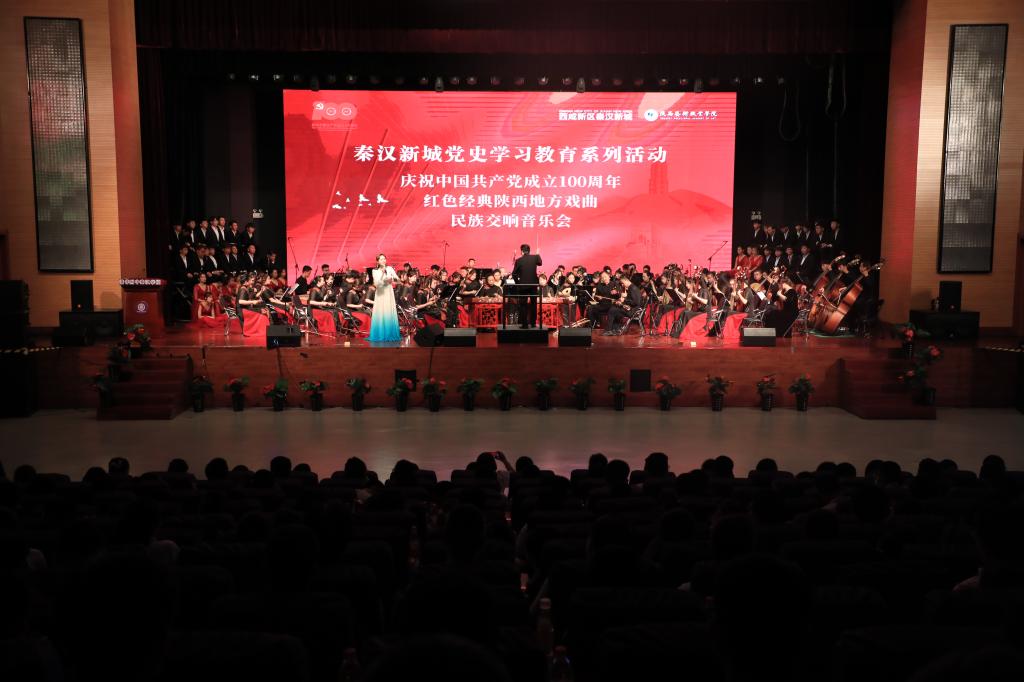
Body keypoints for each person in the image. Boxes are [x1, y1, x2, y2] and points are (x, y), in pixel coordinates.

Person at [369, 253, 401, 342]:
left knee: (389, 311)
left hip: (388, 292)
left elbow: (397, 279)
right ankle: (380, 333)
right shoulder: (375, 271)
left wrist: (394, 280)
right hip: (380, 293)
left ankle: (390, 333)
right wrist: (383, 274)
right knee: (381, 312)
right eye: (381, 259)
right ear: (377, 261)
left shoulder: (389, 268)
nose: (383, 260)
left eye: (384, 259)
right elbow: (377, 284)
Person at [511, 243, 542, 328]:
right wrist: (538, 254)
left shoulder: (519, 260)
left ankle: (524, 324)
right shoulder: (535, 257)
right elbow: (540, 263)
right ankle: (533, 323)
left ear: (522, 251)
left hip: (523, 285)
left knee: (523, 305)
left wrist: (518, 283)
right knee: (533, 304)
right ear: (529, 251)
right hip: (533, 285)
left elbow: (514, 274)